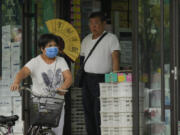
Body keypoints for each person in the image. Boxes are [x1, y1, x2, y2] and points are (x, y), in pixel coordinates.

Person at [10, 33, 72, 135]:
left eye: (55, 46)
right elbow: (23, 72)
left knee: (57, 132)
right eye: (50, 46)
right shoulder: (35, 62)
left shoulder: (61, 61)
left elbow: (69, 77)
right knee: (39, 131)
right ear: (42, 48)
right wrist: (16, 82)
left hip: (57, 105)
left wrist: (63, 87)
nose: (54, 48)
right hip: (40, 105)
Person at [80, 11, 120, 135]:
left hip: (103, 79)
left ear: (104, 24)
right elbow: (82, 59)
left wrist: (114, 78)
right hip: (87, 79)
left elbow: (115, 59)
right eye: (91, 23)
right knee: (88, 109)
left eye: (96, 23)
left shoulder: (111, 38)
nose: (93, 26)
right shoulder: (86, 39)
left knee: (100, 110)